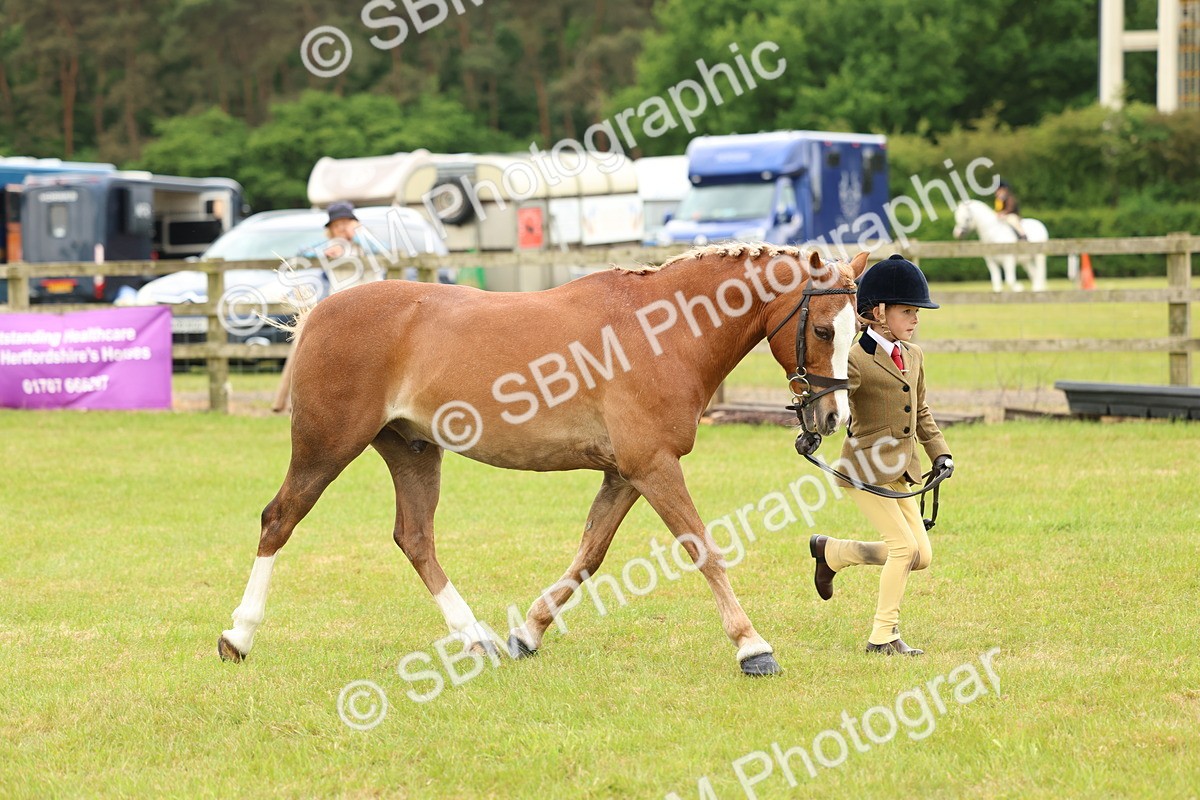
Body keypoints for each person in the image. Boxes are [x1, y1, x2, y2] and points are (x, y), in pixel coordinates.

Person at [807, 254, 954, 656]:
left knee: (921, 556)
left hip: (901, 471)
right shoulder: (854, 359)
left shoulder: (914, 355)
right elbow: (826, 395)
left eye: (917, 312)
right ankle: (883, 636)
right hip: (863, 470)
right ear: (878, 313)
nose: (916, 319)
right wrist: (811, 432)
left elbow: (921, 410)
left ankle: (833, 552)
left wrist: (940, 453)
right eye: (909, 311)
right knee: (904, 550)